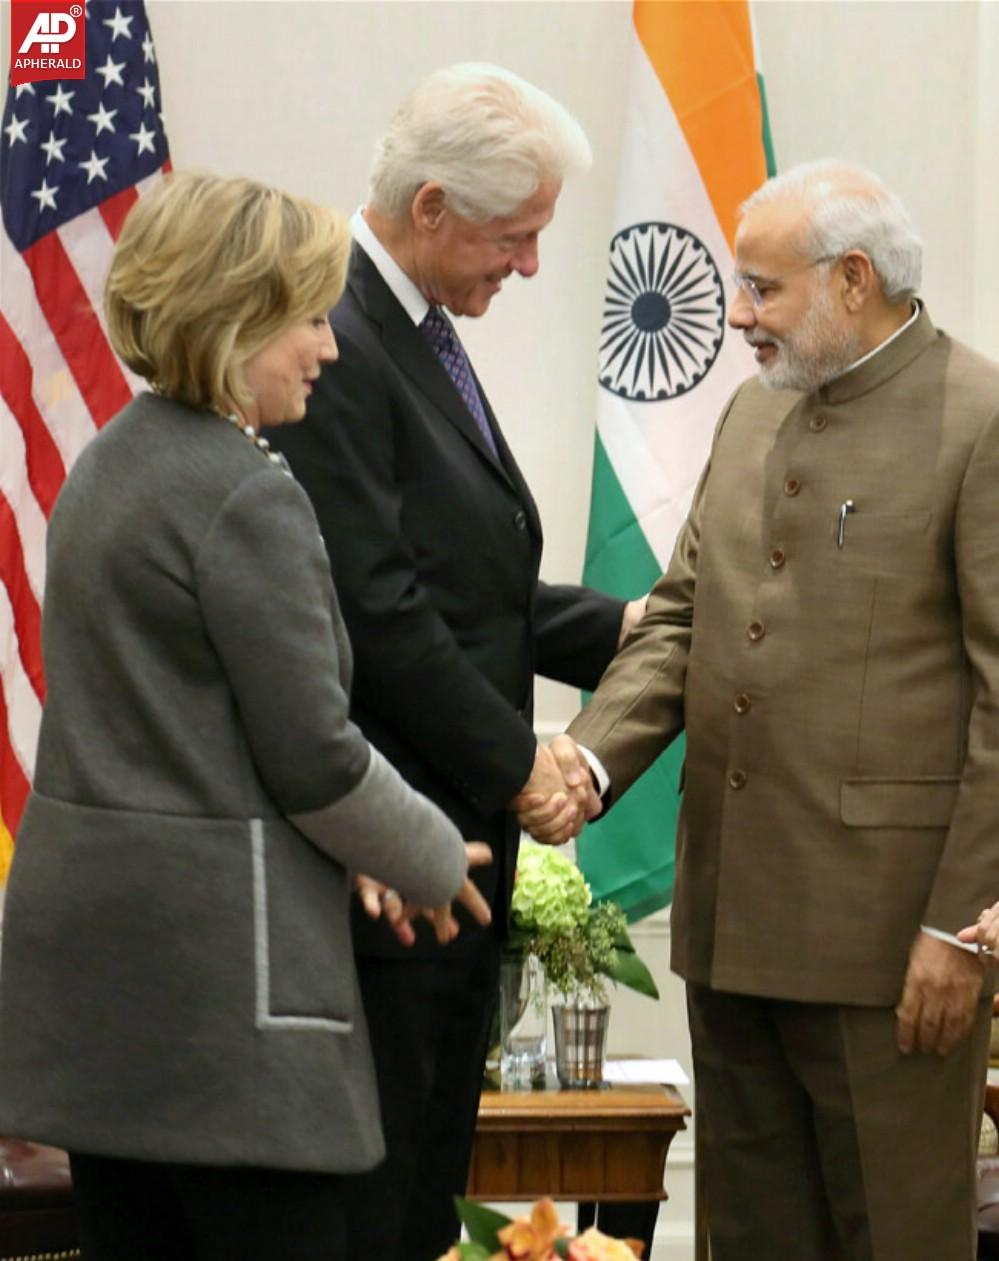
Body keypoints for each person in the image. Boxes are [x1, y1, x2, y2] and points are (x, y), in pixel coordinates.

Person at [0, 170, 493, 1261]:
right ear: (234, 319)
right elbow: (311, 751)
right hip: (220, 1000)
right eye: (308, 318)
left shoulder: (110, 464)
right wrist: (423, 851)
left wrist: (345, 847)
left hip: (106, 988)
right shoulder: (244, 490)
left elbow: (194, 728)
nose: (326, 346)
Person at [522, 161, 999, 1261]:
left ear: (853, 280)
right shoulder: (750, 409)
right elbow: (686, 616)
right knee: (748, 1238)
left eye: (762, 288)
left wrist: (956, 930)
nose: (736, 313)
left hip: (892, 948)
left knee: (894, 1238)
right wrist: (589, 764)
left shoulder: (977, 421)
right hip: (732, 922)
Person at [265, 63, 644, 1261]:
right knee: (381, 1204)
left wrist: (614, 630)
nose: (529, 266)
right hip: (391, 865)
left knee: (426, 1190)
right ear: (432, 207)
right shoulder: (335, 337)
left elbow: (456, 580)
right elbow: (371, 607)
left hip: (445, 858)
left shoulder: (408, 325)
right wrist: (519, 759)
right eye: (516, 236)